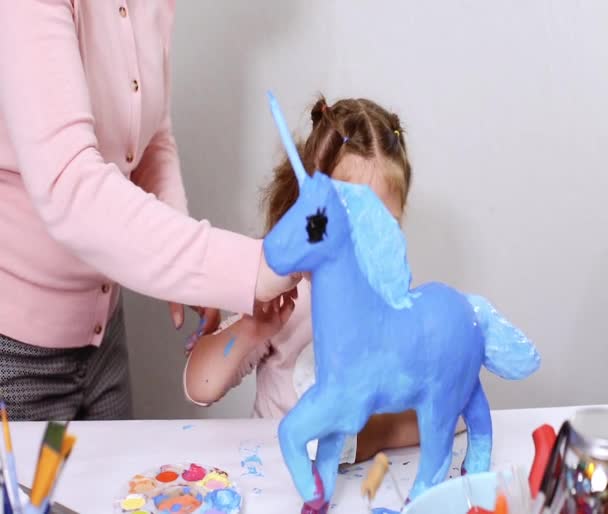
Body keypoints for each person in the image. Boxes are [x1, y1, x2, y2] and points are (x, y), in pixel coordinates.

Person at [0, 2, 297, 421]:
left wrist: (190, 276)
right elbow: (69, 185)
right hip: (12, 350)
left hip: (104, 336)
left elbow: (151, 136)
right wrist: (250, 268)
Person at [184, 95, 463, 463]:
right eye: (351, 219)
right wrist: (253, 328)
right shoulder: (287, 293)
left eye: (386, 225)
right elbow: (199, 386)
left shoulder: (393, 303)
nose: (368, 244)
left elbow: (452, 407)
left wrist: (384, 432)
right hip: (271, 478)